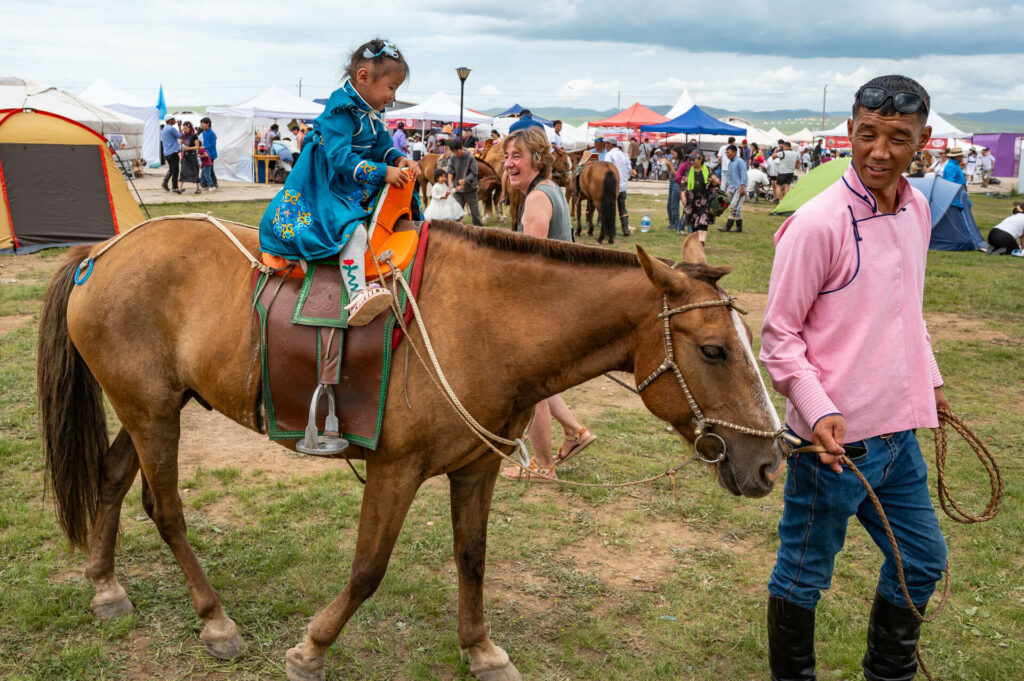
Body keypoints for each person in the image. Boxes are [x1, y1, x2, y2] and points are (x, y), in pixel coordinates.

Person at [760, 74, 949, 681]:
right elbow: (779, 338)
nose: (879, 151)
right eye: (867, 134)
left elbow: (906, 312)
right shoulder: (817, 224)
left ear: (921, 141)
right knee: (803, 574)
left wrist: (931, 380)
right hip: (831, 448)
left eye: (898, 137)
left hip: (898, 440)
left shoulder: (918, 208)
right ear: (849, 131)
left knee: (921, 560)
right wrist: (817, 409)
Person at [258, 38, 420, 327]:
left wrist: (397, 160)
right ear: (363, 77)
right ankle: (357, 295)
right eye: (391, 87)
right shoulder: (342, 110)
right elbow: (340, 160)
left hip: (352, 181)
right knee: (352, 231)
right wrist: (383, 172)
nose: (392, 96)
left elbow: (381, 145)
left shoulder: (371, 111)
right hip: (325, 183)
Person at [499, 126, 595, 483]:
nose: (509, 163)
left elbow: (532, 266)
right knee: (539, 380)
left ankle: (542, 466)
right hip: (559, 302)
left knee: (531, 388)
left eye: (517, 156)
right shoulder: (549, 190)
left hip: (545, 306)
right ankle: (575, 432)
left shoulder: (538, 198)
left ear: (537, 159)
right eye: (507, 156)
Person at [682, 150, 719, 244]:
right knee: (694, 226)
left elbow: (716, 184)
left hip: (704, 202)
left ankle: (701, 242)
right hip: (691, 203)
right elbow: (683, 186)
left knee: (703, 223)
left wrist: (713, 181)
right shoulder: (688, 171)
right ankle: (697, 243)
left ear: (700, 159)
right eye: (690, 159)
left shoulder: (708, 170)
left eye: (693, 159)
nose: (691, 161)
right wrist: (683, 197)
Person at [447, 138, 482, 226]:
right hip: (458, 190)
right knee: (456, 213)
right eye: (453, 152)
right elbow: (450, 170)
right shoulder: (453, 157)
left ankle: (479, 231)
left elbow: (474, 173)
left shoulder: (470, 157)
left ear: (461, 148)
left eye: (456, 152)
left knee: (475, 213)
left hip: (470, 189)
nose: (455, 154)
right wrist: (450, 182)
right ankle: (456, 232)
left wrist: (465, 180)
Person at [603, 137, 633, 237]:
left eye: (606, 144)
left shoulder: (609, 154)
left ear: (610, 144)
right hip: (623, 186)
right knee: (622, 207)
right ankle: (625, 229)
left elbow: (607, 168)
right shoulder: (624, 154)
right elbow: (629, 169)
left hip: (613, 185)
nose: (605, 146)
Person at [718, 144, 747, 233]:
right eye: (726, 153)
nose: (726, 154)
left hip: (739, 188)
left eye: (728, 152)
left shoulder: (740, 162)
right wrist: (728, 186)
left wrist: (742, 187)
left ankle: (728, 226)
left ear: (734, 152)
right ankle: (739, 228)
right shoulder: (730, 163)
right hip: (732, 188)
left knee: (733, 207)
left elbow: (743, 175)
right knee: (737, 208)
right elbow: (730, 177)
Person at [160, 115, 183, 193]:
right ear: (169, 120)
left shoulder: (164, 129)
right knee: (175, 170)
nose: (175, 120)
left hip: (166, 153)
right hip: (173, 153)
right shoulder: (171, 129)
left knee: (171, 169)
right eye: (173, 119)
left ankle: (165, 182)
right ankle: (175, 187)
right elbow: (181, 136)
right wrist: (180, 126)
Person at [179, 121, 202, 195]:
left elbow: (197, 147)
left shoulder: (194, 135)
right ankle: (180, 188)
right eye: (184, 128)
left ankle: (198, 188)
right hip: (185, 156)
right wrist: (182, 144)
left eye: (186, 128)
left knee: (195, 171)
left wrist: (188, 148)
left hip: (192, 156)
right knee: (183, 172)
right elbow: (182, 143)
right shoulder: (184, 135)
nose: (184, 130)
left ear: (190, 128)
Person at [666, 146, 684, 232]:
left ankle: (676, 224)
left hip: (677, 184)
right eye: (671, 153)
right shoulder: (675, 161)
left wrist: (670, 165)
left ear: (679, 153)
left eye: (674, 153)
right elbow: (670, 174)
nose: (672, 155)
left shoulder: (682, 162)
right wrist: (669, 166)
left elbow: (677, 175)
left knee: (674, 205)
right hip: (671, 183)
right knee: (669, 205)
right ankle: (672, 224)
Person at [199, 117, 219, 190]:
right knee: (208, 169)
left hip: (211, 154)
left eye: (203, 123)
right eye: (201, 124)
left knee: (209, 169)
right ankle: (209, 183)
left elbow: (213, 144)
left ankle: (212, 183)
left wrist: (204, 147)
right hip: (205, 154)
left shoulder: (211, 133)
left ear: (208, 124)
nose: (202, 125)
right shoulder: (203, 132)